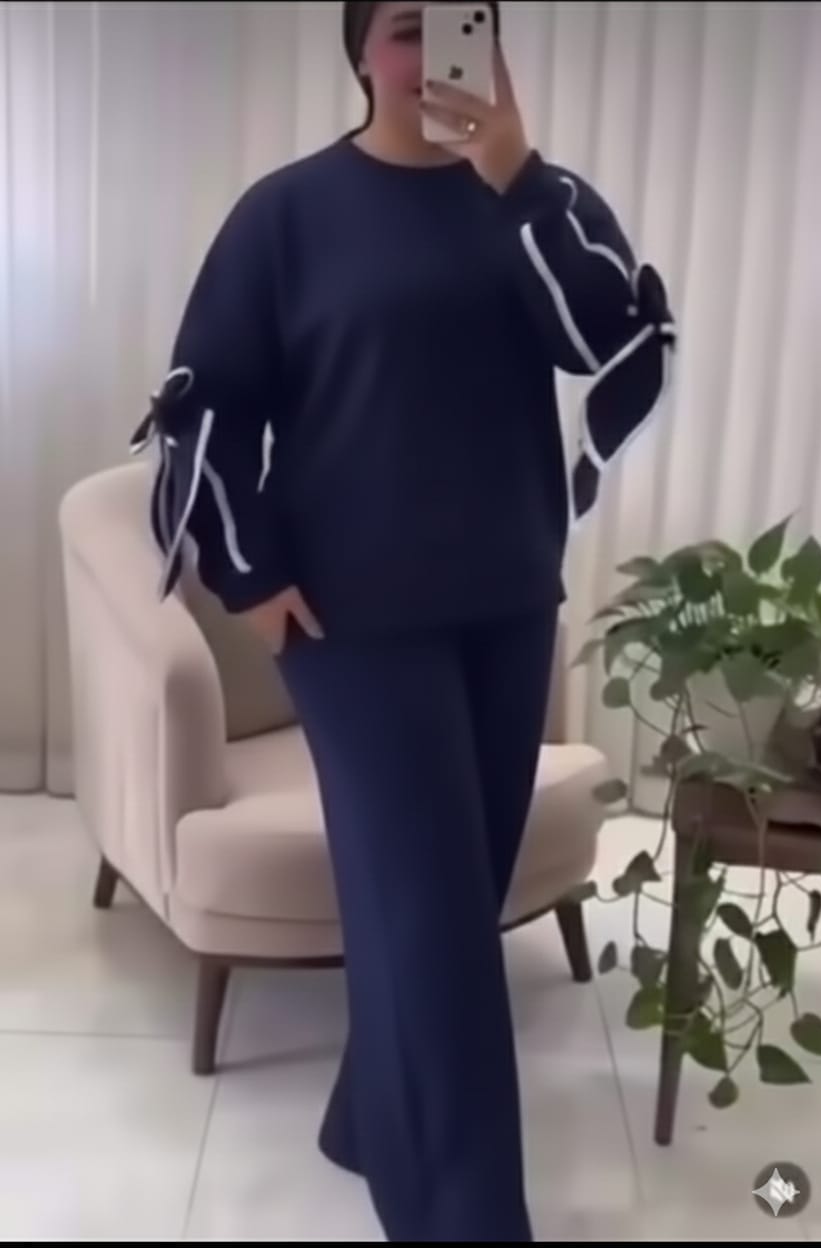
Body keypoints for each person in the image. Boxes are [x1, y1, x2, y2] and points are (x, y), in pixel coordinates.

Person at [130, 1, 675, 1239]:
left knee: (450, 898)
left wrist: (519, 179)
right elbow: (209, 399)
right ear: (360, 51)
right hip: (353, 625)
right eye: (407, 26)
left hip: (505, 602)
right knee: (432, 930)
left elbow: (613, 339)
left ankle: (368, 1122)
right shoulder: (288, 215)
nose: (433, 55)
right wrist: (247, 573)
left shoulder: (536, 202)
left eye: (461, 23)